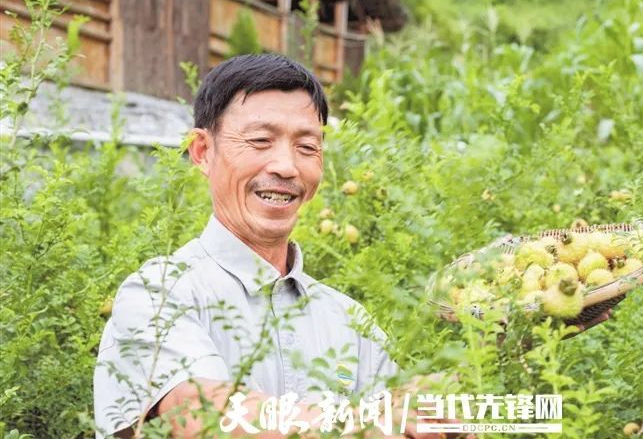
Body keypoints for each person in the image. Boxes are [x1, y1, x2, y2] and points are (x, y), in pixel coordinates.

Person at [94, 54, 607, 438]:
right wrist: (371, 420)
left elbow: (401, 416)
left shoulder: (348, 319)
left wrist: (518, 338)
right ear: (203, 151)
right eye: (259, 141)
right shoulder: (157, 293)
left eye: (307, 146)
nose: (287, 166)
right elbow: (201, 417)